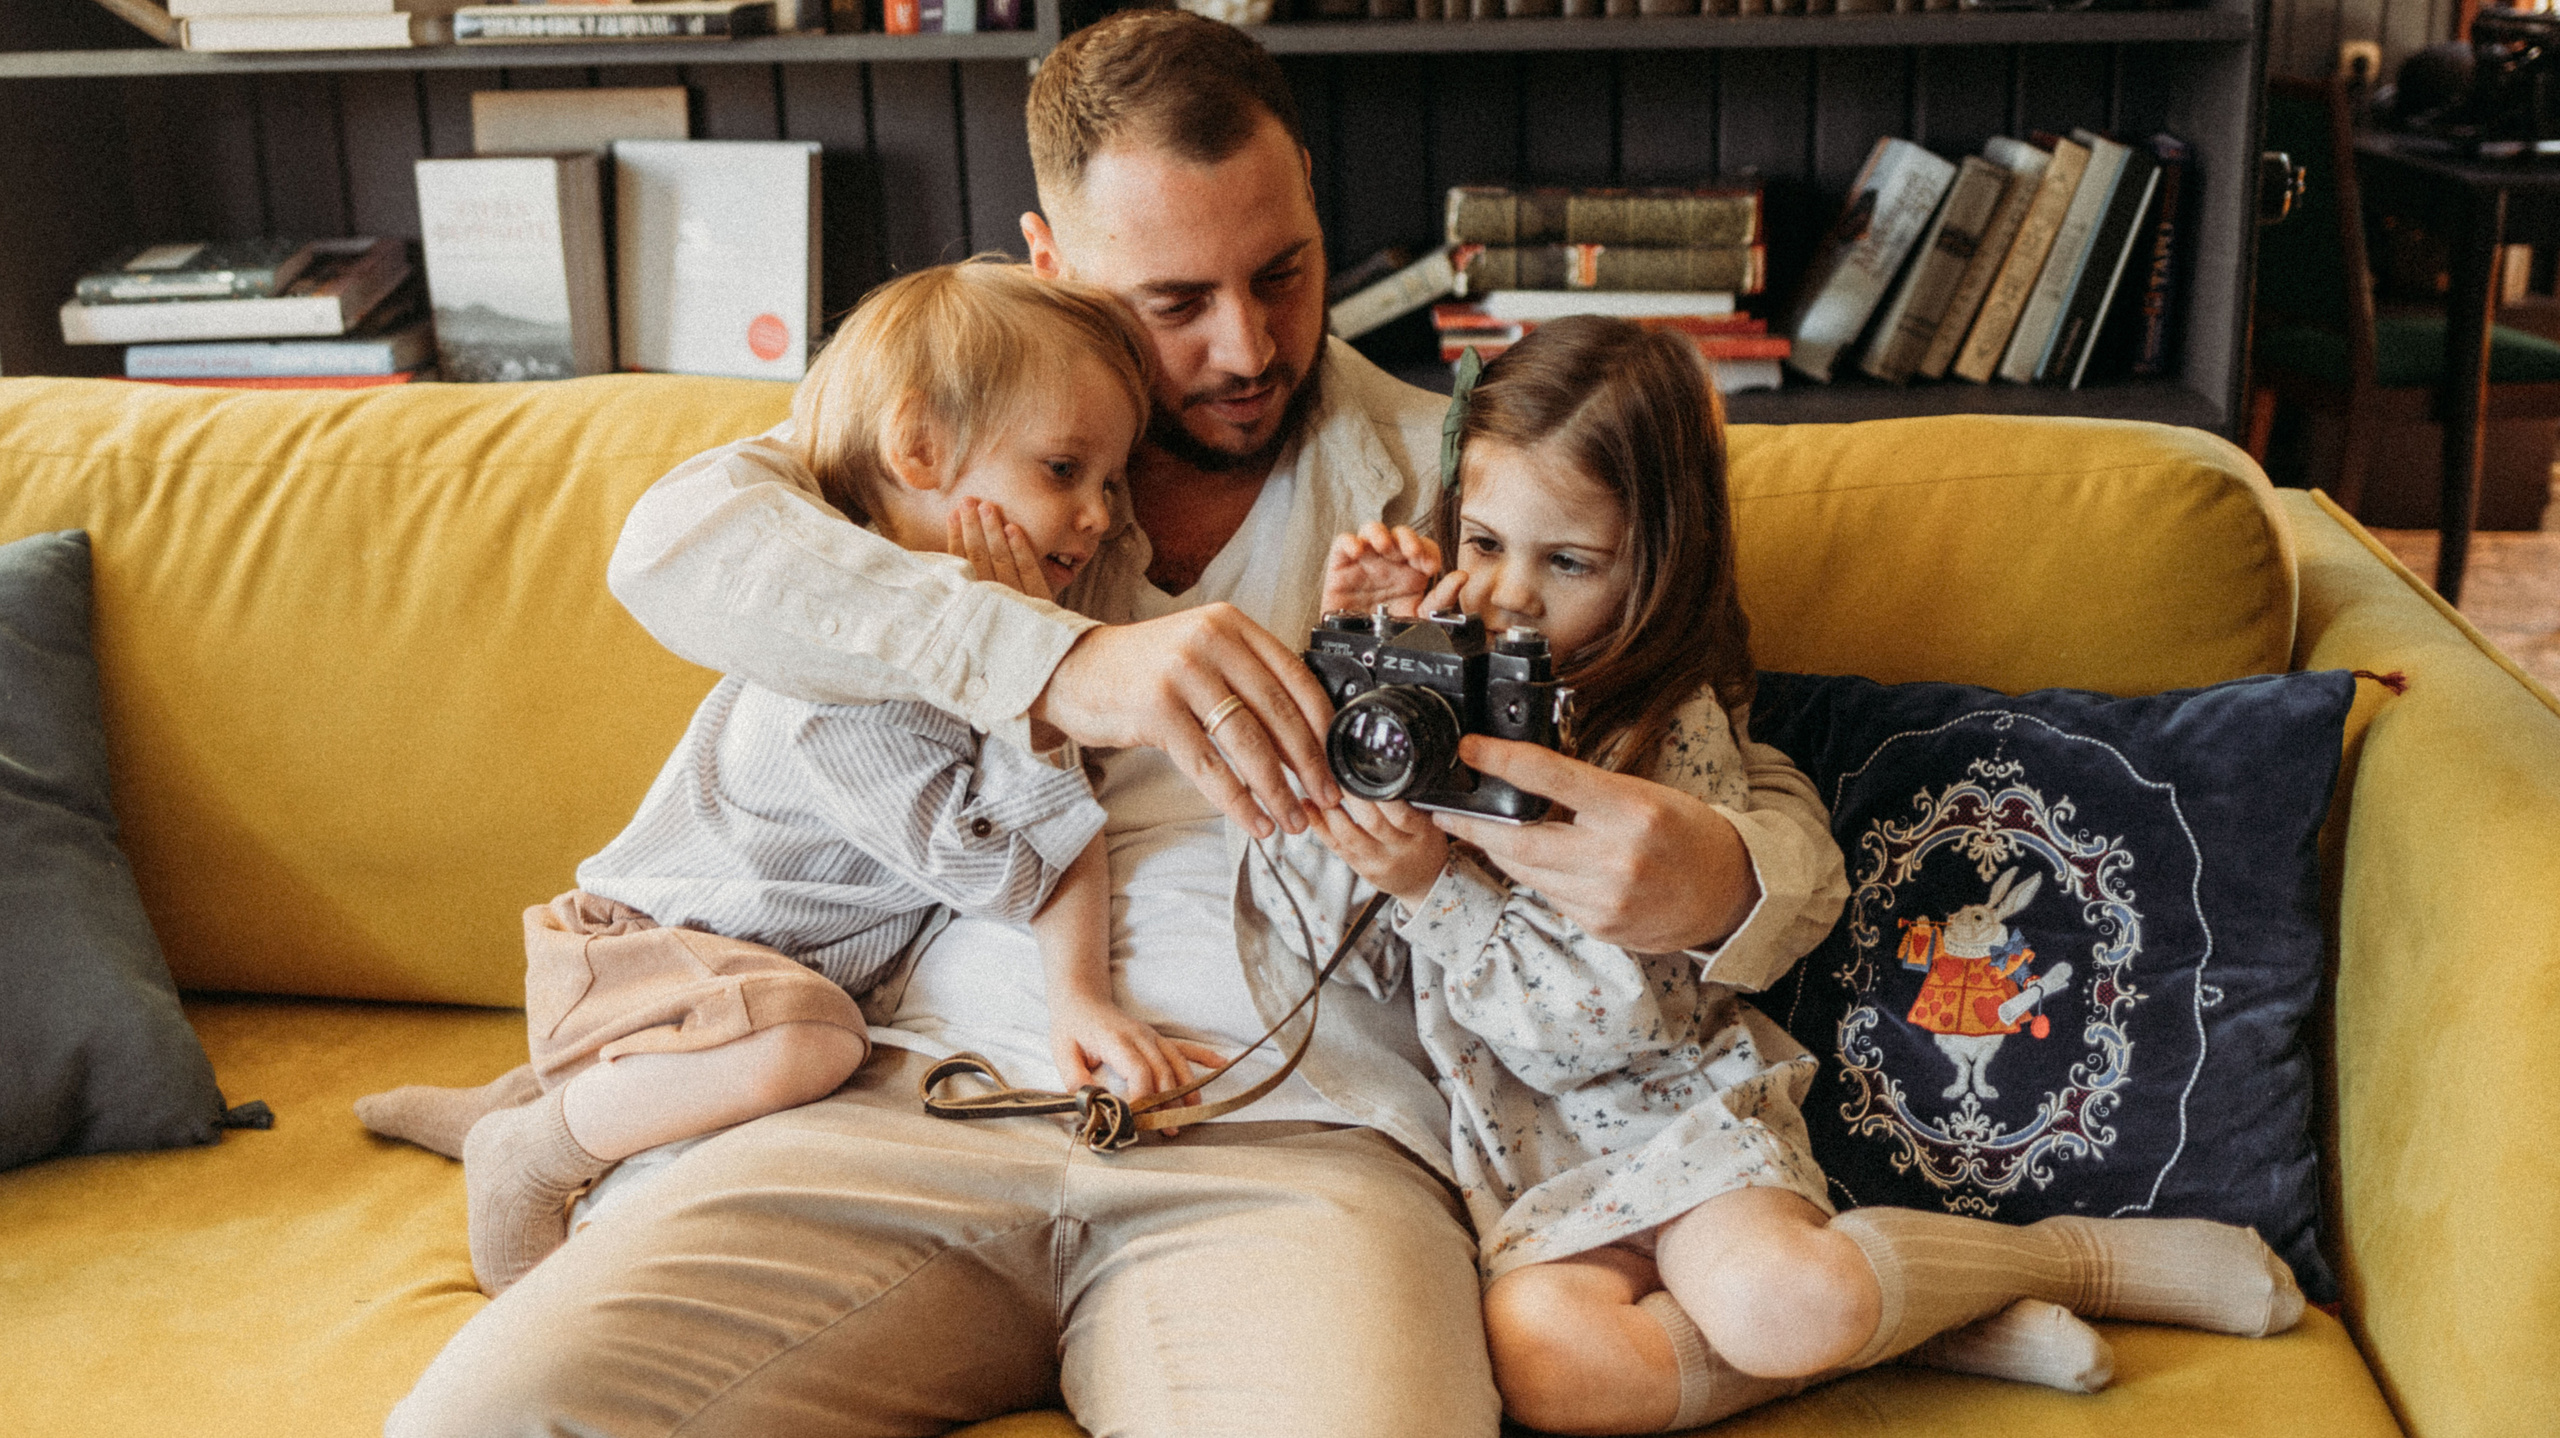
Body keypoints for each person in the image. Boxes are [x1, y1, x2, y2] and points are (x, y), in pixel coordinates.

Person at [390, 15, 1507, 1436]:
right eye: (1172, 302)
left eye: (1283, 274)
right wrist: (1057, 664)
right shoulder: (907, 451)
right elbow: (674, 545)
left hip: (1293, 1134)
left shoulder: (1457, 469)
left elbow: (1656, 766)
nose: (1245, 346)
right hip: (902, 1089)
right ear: (1053, 264)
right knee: (487, 1421)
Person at [1300, 318, 2308, 1435]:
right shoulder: (1449, 680)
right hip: (1520, 1166)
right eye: (1482, 543)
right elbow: (1306, 893)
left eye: (1568, 560)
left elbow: (1606, 1021)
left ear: (1658, 568)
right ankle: (1935, 1317)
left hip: (1665, 1124)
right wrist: (1370, 656)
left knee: (1784, 1298)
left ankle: (2066, 1259)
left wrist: (1435, 889)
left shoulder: (1660, 731)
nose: (1508, 599)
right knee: (1549, 1369)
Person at [356, 262, 1227, 1296]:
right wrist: (1023, 698)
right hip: (649, 963)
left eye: (1112, 481)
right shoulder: (843, 688)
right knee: (813, 1045)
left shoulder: (1004, 639)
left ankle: (511, 1098)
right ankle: (532, 1145)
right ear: (917, 448)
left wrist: (1079, 997)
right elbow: (1001, 859)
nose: (1094, 517)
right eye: (1060, 469)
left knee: (811, 1027)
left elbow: (1059, 815)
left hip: (729, 981)